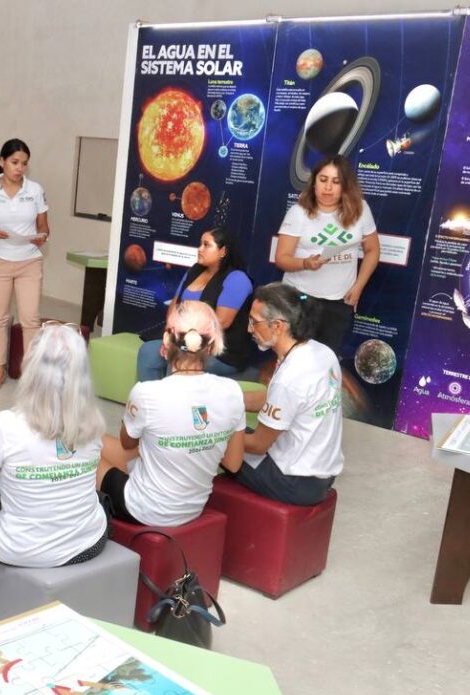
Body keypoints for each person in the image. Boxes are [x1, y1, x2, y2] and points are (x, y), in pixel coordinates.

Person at [0, 324, 107, 608]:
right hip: (88, 544)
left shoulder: (8, 425)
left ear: (31, 367)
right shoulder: (93, 423)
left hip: (19, 549)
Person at [99, 301, 245, 527]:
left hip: (143, 510)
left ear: (167, 340)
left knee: (81, 452)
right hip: (193, 508)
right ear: (211, 345)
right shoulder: (233, 391)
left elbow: (128, 443)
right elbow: (233, 464)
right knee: (100, 442)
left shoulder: (147, 392)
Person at [238, 282, 343, 505]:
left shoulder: (289, 378)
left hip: (294, 483)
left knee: (210, 442)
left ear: (277, 326)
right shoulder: (323, 353)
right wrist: (224, 402)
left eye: (254, 322)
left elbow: (258, 444)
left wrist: (211, 433)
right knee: (230, 429)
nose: (249, 329)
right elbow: (280, 401)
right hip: (322, 474)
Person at [274, 154, 380, 355]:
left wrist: (358, 287)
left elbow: (373, 250)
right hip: (300, 298)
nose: (328, 188)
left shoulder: (361, 209)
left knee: (326, 358)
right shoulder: (298, 212)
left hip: (339, 302)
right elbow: (281, 258)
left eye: (336, 182)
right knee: (295, 356)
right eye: (323, 180)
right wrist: (305, 263)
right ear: (314, 182)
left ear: (345, 186)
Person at [0, 138, 50, 390]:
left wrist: (42, 236)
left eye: (24, 164)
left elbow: (44, 226)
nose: (19, 168)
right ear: (2, 161)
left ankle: (31, 376)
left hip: (29, 260)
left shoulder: (35, 190)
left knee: (31, 320)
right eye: (14, 162)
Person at [136, 226, 254, 381]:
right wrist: (170, 338)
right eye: (200, 244)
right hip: (182, 339)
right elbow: (175, 306)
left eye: (207, 245)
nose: (200, 249)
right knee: (147, 352)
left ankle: (174, 397)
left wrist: (180, 343)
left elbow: (221, 323)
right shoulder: (195, 270)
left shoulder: (237, 279)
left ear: (223, 251)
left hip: (219, 350)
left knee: (180, 359)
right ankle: (151, 396)